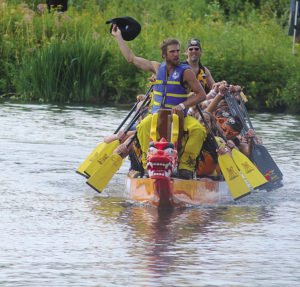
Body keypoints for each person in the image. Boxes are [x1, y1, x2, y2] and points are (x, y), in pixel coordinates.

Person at [111, 25, 207, 179]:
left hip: (179, 117)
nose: (176, 54)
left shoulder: (186, 72)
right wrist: (118, 37)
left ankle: (186, 167)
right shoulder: (156, 67)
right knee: (142, 127)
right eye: (172, 52)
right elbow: (131, 58)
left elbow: (201, 95)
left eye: (177, 51)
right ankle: (146, 164)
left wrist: (182, 105)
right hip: (156, 116)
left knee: (198, 130)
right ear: (164, 55)